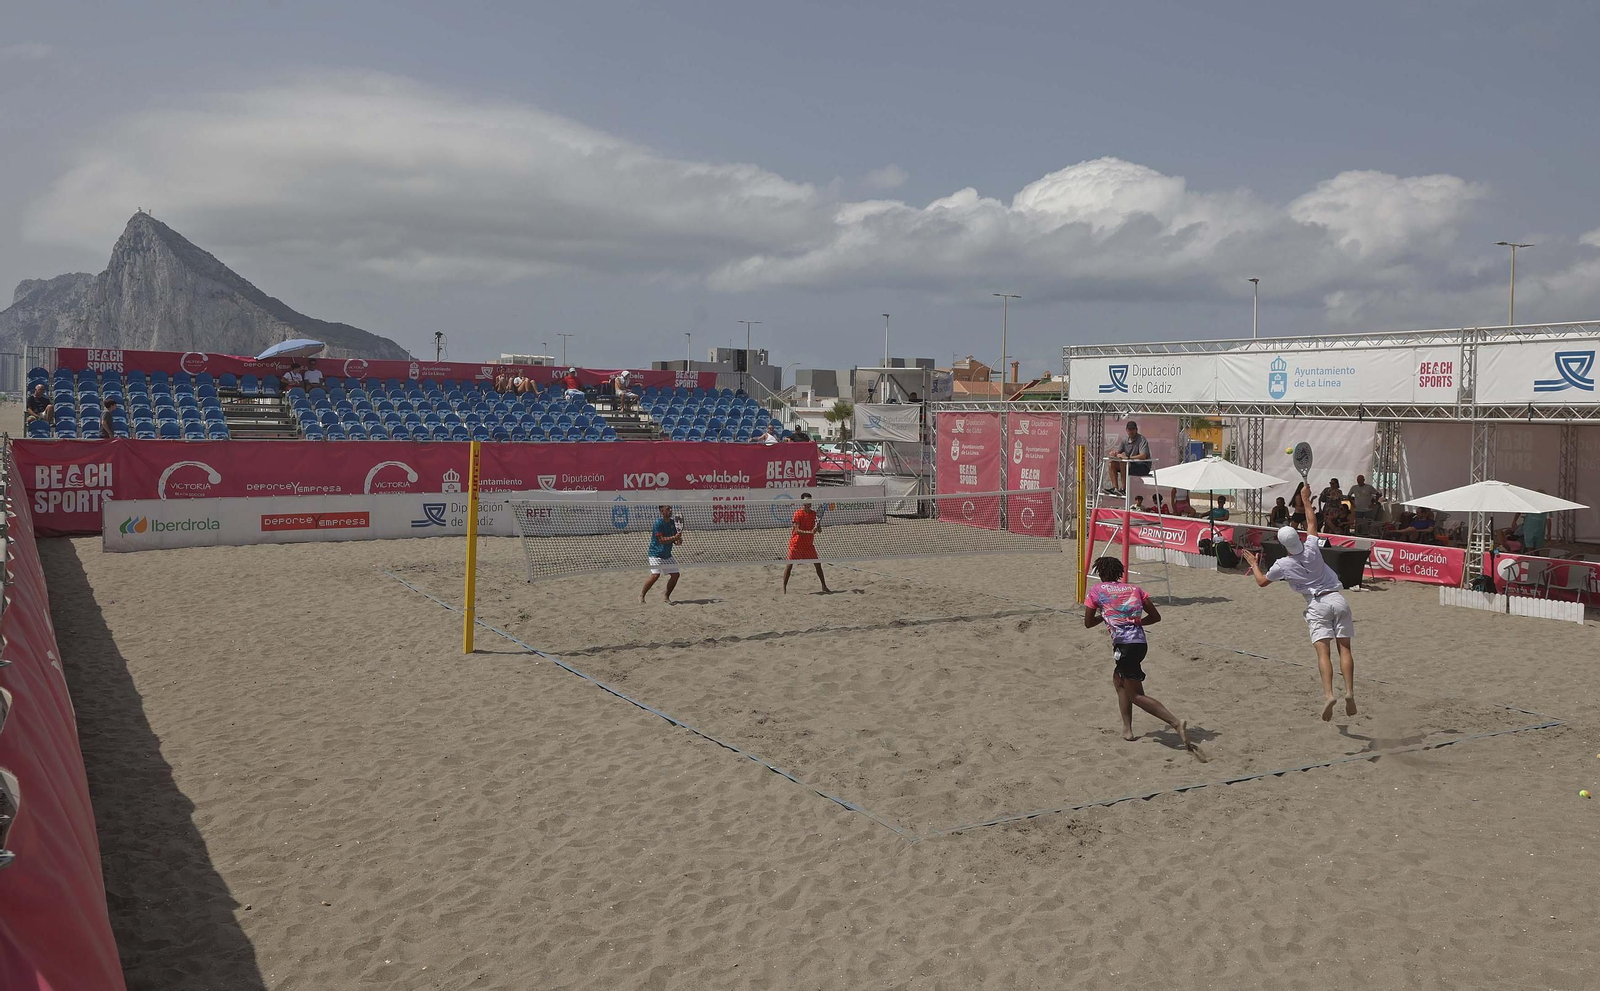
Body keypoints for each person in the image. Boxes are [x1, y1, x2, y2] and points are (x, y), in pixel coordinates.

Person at [1239, 486, 1357, 722]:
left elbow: (1262, 582)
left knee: (1323, 651)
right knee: (1344, 648)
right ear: (1298, 537)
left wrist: (1253, 564)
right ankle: (1351, 692)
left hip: (1317, 604)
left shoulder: (1283, 564)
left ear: (1283, 544)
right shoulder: (1312, 547)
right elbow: (1312, 523)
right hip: (1337, 598)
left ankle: (1329, 695)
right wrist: (1305, 501)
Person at [1083, 557, 1192, 748]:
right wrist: (1135, 621)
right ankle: (1127, 730)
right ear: (1119, 573)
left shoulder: (1097, 591)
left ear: (1100, 573)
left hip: (1125, 646)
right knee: (1119, 680)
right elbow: (1156, 617)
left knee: (1136, 695)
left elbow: (1088, 623)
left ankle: (1176, 722)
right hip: (1140, 643)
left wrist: (1106, 615)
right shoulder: (1134, 589)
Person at [782, 492, 831, 593]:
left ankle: (824, 586)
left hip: (808, 546)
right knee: (789, 565)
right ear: (802, 502)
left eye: (810, 501)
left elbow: (819, 531)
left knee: (818, 565)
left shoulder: (814, 514)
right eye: (807, 501)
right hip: (796, 545)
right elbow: (797, 530)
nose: (809, 503)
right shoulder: (797, 514)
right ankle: (784, 588)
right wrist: (810, 532)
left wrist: (817, 528)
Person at [640, 505, 683, 603]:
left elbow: (676, 540)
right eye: (668, 509)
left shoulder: (673, 523)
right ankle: (642, 595)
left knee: (676, 575)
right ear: (661, 511)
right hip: (655, 553)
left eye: (671, 508)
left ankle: (666, 596)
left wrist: (678, 541)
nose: (670, 510)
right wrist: (674, 538)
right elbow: (661, 540)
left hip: (667, 554)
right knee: (655, 575)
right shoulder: (658, 523)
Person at [1105, 420, 1151, 496]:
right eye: (1129, 429)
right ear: (1126, 430)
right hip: (1129, 465)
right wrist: (1114, 453)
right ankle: (1115, 488)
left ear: (1136, 430)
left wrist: (1128, 458)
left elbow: (1143, 456)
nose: (1131, 431)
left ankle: (1123, 489)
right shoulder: (1124, 440)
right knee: (1111, 464)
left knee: (1123, 463)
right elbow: (1119, 452)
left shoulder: (1141, 440)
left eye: (1133, 429)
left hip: (1143, 466)